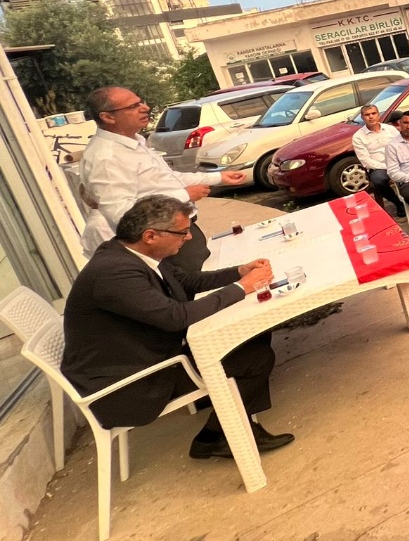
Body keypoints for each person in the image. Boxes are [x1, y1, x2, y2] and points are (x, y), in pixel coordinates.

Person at [61, 195, 290, 460]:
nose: (189, 237)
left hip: (147, 355)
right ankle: (215, 437)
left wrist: (239, 272)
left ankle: (229, 408)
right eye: (182, 232)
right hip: (129, 384)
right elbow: (176, 317)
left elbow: (189, 282)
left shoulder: (131, 253)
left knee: (251, 335)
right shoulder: (114, 273)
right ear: (150, 236)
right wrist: (243, 287)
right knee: (255, 357)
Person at [79, 86, 247, 274]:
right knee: (196, 284)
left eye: (141, 102)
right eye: (133, 106)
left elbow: (168, 179)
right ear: (108, 117)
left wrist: (218, 177)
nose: (145, 108)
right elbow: (121, 214)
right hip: (164, 243)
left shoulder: (134, 142)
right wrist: (183, 195)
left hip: (179, 231)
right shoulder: (106, 158)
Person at [352, 103, 402, 214]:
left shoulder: (390, 129)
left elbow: (401, 146)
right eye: (367, 115)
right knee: (378, 180)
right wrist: (387, 167)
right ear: (362, 117)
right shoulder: (358, 137)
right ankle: (398, 203)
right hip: (378, 167)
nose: (371, 117)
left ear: (378, 114)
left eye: (373, 113)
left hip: (398, 162)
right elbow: (365, 161)